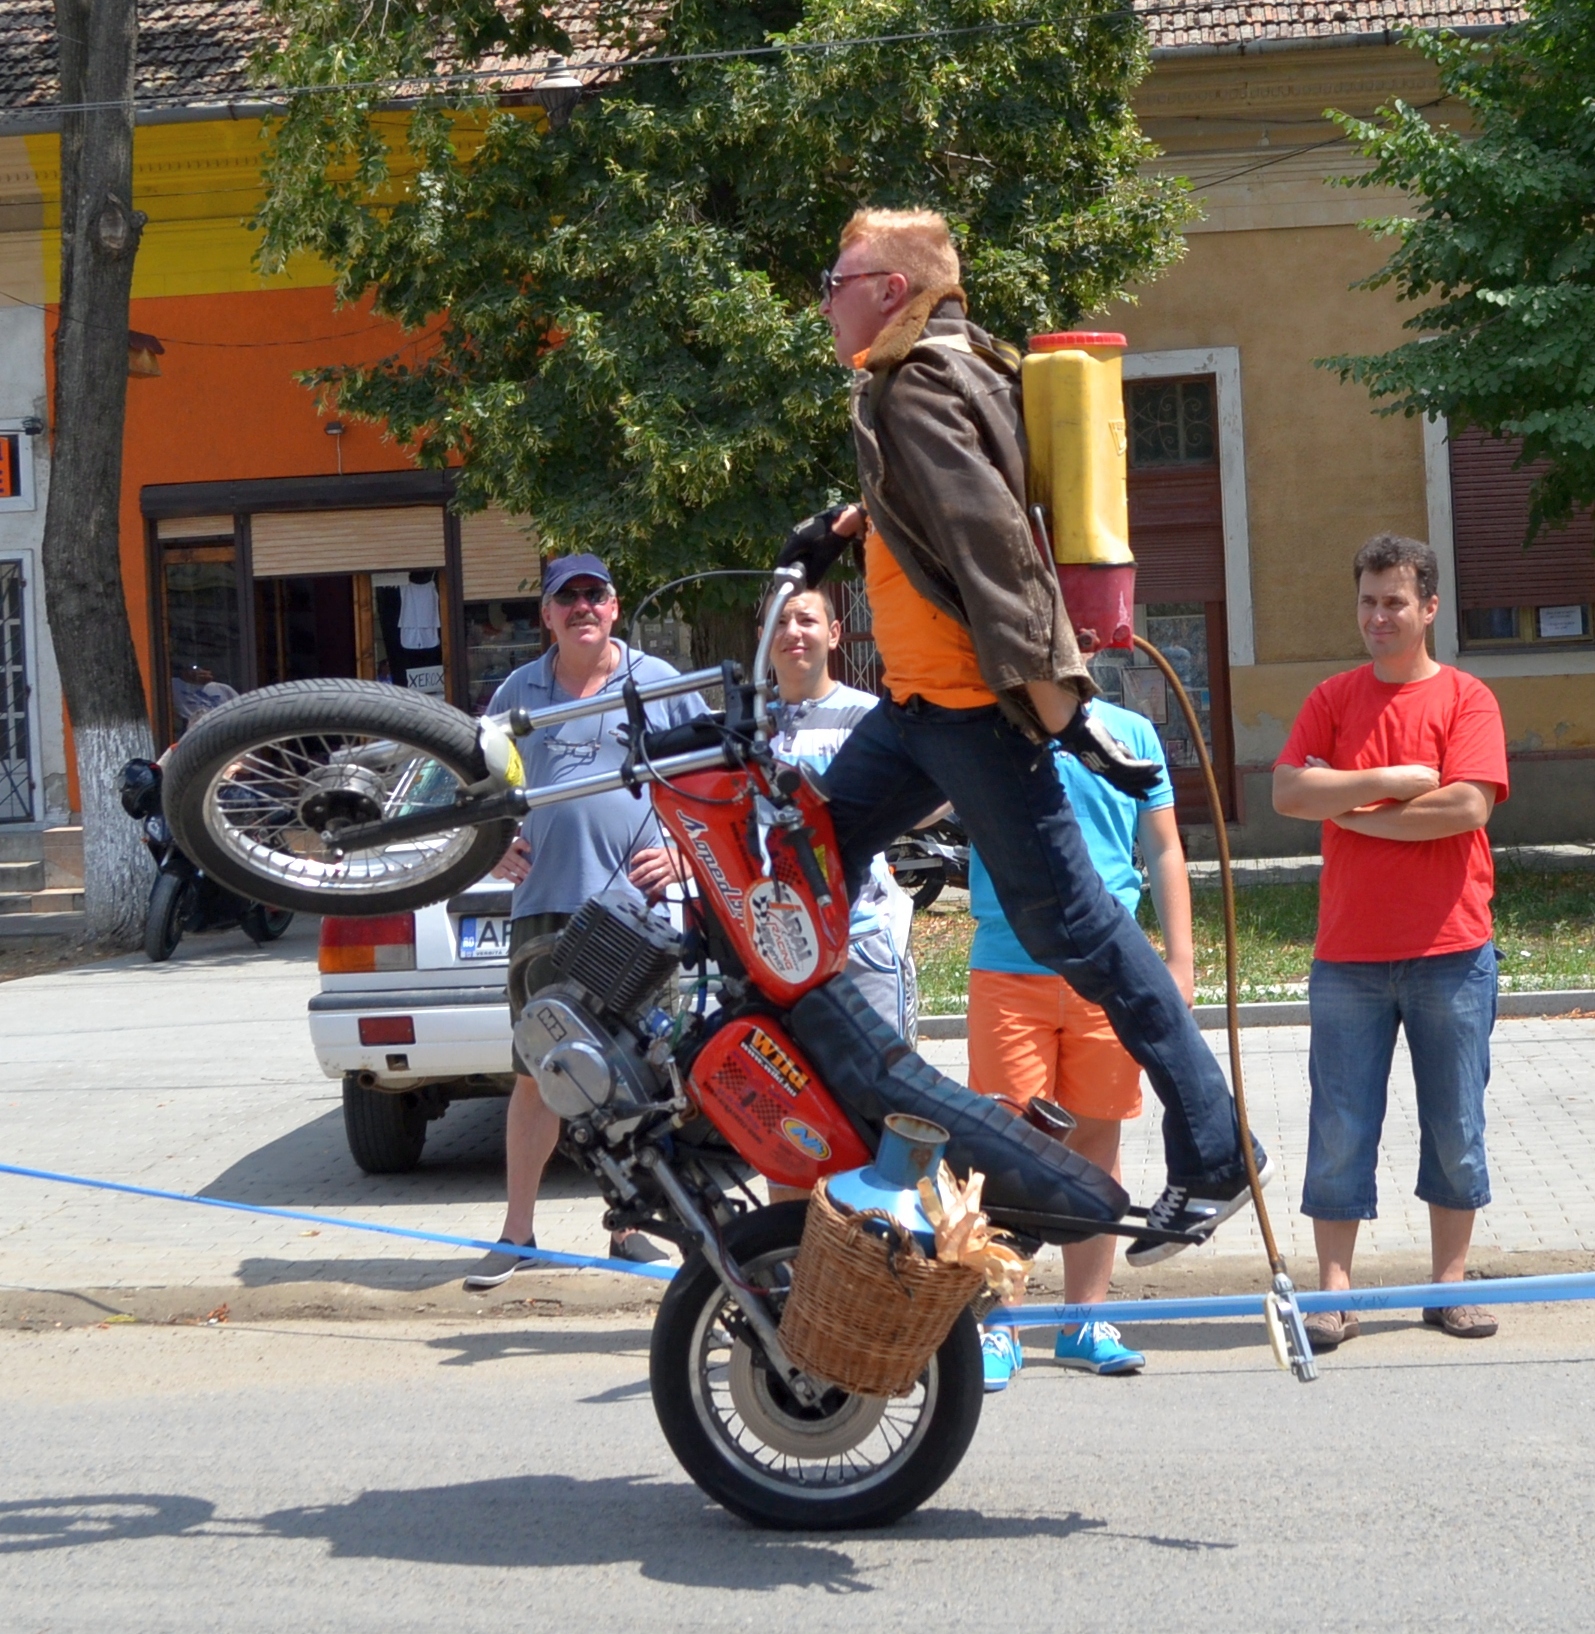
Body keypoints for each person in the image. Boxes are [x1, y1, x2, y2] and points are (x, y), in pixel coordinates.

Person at [782, 206, 1267, 1260]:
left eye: (836, 280)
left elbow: (994, 542)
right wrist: (850, 525)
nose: (824, 302)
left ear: (892, 291)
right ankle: (837, 1084)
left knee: (1078, 932)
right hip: (915, 711)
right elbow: (942, 511)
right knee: (801, 861)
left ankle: (1217, 1147)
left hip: (969, 709)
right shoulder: (945, 370)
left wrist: (1059, 701)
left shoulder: (913, 383)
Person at [1273, 533, 1508, 1348]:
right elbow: (1288, 791)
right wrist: (1387, 784)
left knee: (1455, 1125)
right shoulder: (1332, 698)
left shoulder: (1467, 699)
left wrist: (1348, 811)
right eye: (1368, 601)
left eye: (1394, 602)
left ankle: (1447, 1287)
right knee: (1339, 1127)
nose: (1378, 616)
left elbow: (1467, 807)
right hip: (1347, 956)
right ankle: (1333, 1293)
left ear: (1428, 607)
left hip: (1451, 951)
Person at [462, 553, 705, 1290]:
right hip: (543, 906)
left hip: (634, 914)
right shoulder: (517, 691)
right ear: (545, 615)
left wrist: (682, 854)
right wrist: (491, 842)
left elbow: (709, 781)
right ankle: (517, 1234)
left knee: (637, 1076)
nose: (582, 608)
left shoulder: (657, 682)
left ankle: (631, 1226)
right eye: (566, 598)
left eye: (593, 595)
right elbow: (477, 782)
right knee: (538, 1073)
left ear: (614, 605)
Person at [967, 696, 1189, 1388]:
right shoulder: (985, 723)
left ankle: (1084, 1319)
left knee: (1098, 1139)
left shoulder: (1129, 732)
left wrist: (1179, 962)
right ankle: (999, 1325)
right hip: (1008, 965)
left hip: (1106, 966)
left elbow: (1163, 847)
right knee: (1005, 1149)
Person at [767, 584, 918, 1041]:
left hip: (861, 940)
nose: (792, 632)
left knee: (885, 1081)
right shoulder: (747, 729)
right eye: (779, 622)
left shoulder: (869, 719)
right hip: (777, 947)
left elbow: (935, 795)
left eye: (806, 620)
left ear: (834, 633)